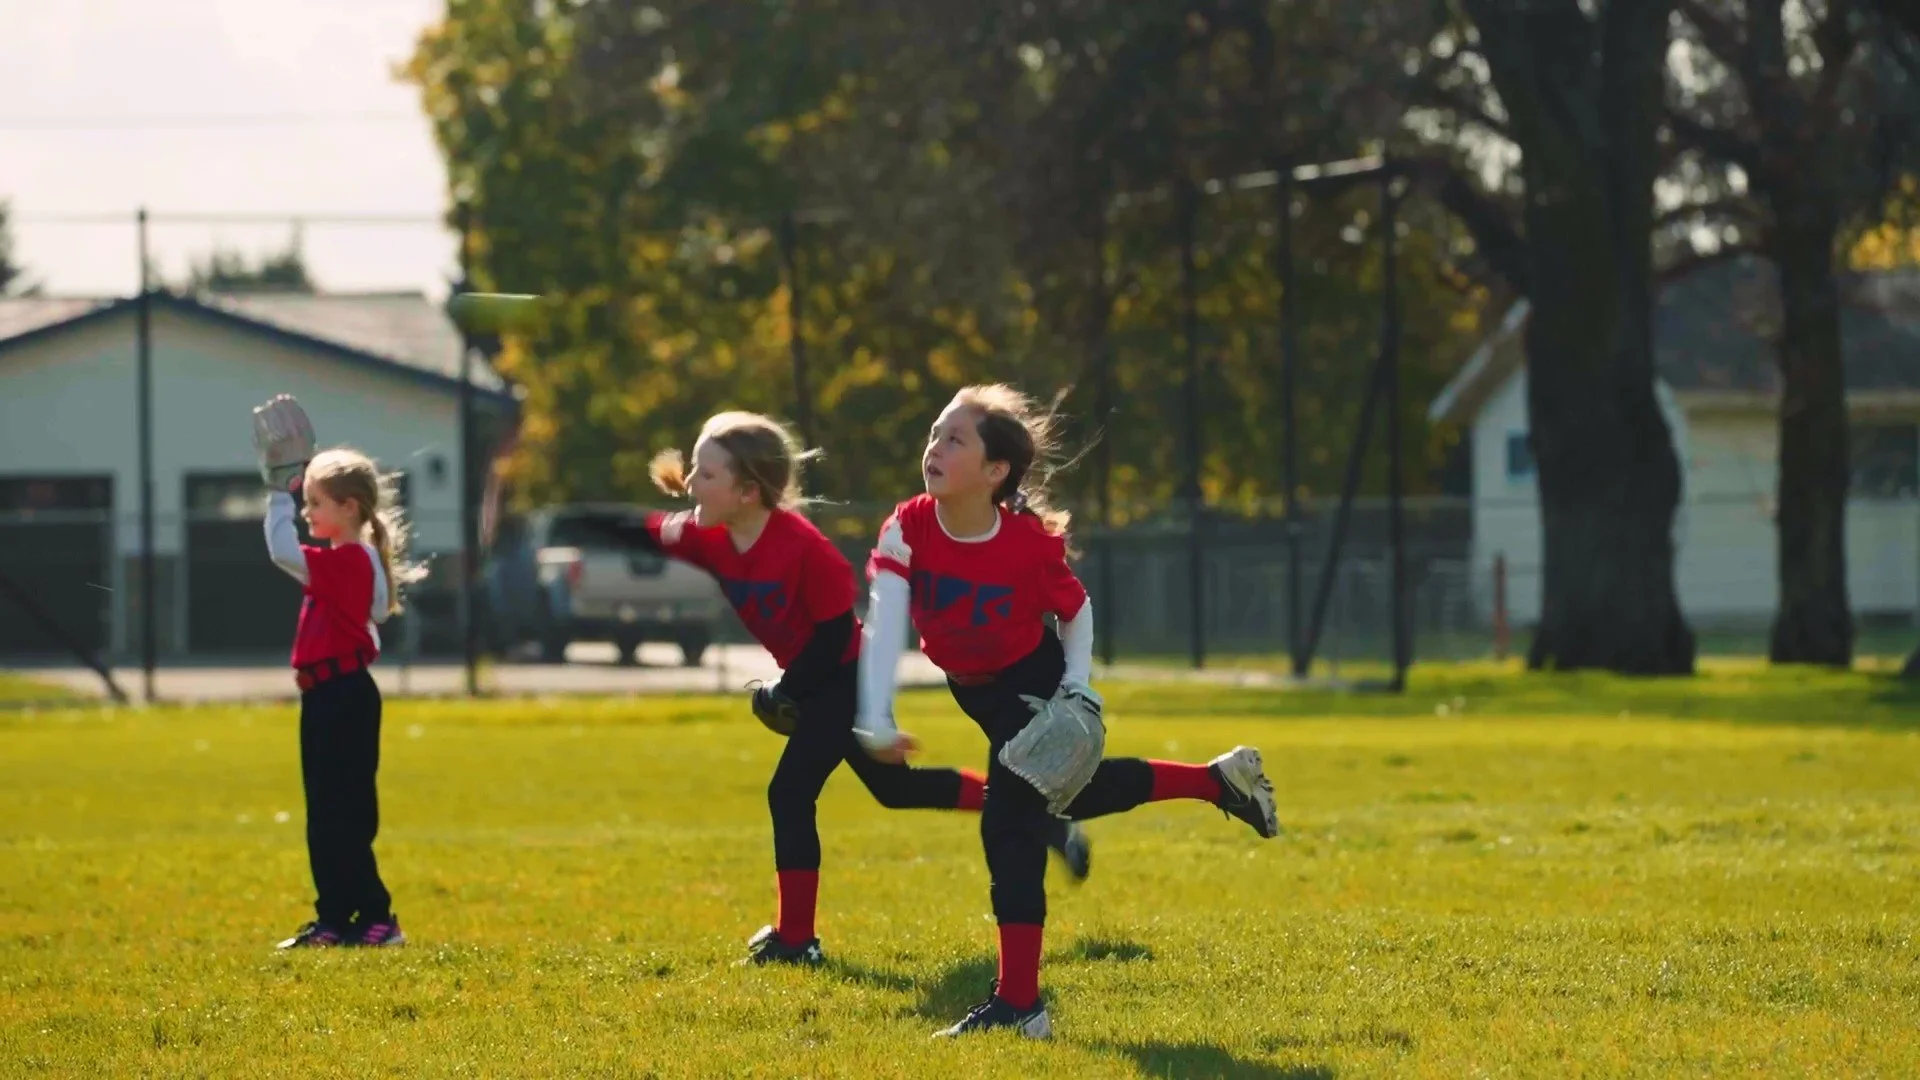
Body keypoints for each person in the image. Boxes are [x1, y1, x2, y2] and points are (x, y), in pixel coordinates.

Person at [587, 411, 1090, 967]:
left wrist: (788, 690)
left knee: (789, 792)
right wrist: (584, 525)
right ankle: (1042, 823)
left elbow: (833, 637)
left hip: (843, 677)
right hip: (815, 682)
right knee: (896, 791)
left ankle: (797, 939)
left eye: (706, 474)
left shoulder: (801, 547)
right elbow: (646, 531)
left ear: (749, 490)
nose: (691, 484)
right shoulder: (709, 534)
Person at [853, 383, 1280, 1039]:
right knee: (1063, 801)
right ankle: (1216, 781)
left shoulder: (1024, 541)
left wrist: (1078, 687)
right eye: (935, 433)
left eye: (954, 438)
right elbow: (884, 622)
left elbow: (1075, 610)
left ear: (996, 471)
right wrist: (875, 714)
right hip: (975, 691)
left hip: (1033, 681)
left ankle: (1020, 1007)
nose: (934, 447)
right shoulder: (906, 524)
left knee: (1010, 824)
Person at [254, 394, 424, 950]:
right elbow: (373, 609)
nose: (306, 513)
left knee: (343, 815)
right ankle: (334, 920)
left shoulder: (348, 558)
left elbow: (282, 549)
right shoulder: (352, 559)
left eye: (315, 503)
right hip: (330, 696)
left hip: (342, 696)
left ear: (349, 507)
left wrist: (279, 491)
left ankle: (376, 919)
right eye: (304, 503)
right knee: (326, 815)